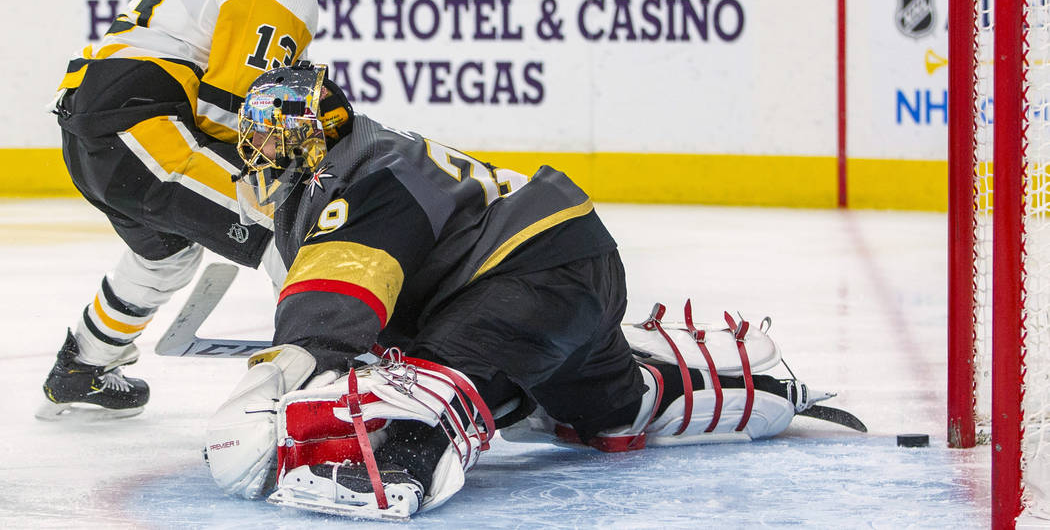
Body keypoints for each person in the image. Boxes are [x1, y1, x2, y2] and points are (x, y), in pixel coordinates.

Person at [203, 63, 846, 519]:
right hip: (566, 270)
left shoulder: (363, 181)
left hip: (528, 279)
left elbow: (335, 301)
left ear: (321, 132)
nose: (261, 151)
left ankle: (396, 466)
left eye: (276, 133)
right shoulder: (371, 160)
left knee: (417, 388)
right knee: (610, 408)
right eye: (256, 135)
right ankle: (759, 391)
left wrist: (270, 378)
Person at [37, 0, 344, 421]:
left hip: (98, 133)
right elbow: (232, 118)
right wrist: (305, 165)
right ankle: (334, 391)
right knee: (291, 226)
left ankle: (82, 368)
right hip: (143, 130)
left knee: (166, 256)